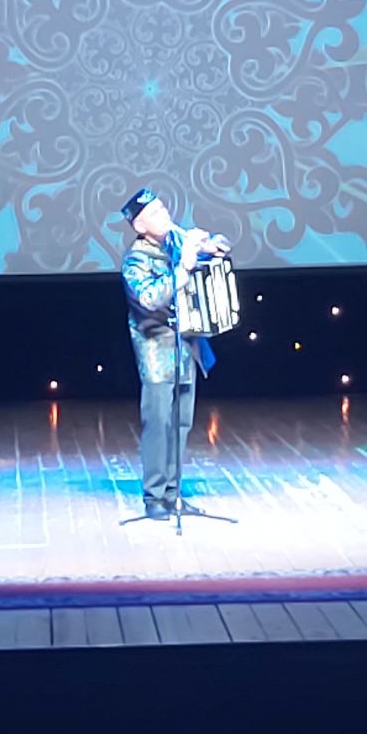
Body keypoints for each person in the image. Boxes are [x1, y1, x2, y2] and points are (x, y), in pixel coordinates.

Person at [120, 187, 228, 520]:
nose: (164, 214)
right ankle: (154, 496)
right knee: (158, 423)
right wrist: (183, 268)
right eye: (154, 213)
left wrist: (210, 244)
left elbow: (215, 248)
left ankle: (173, 493)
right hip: (157, 351)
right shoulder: (135, 260)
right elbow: (150, 298)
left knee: (181, 422)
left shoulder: (174, 242)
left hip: (185, 347)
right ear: (140, 226)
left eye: (163, 208)